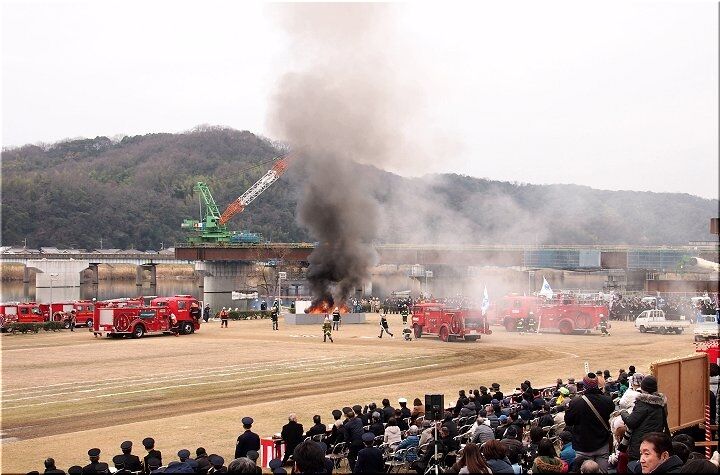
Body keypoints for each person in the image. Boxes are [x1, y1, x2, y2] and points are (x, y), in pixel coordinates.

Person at [565, 373, 614, 472]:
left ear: (584, 386)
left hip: (583, 446)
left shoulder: (576, 402)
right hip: (602, 443)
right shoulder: (607, 400)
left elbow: (568, 422)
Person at [620, 375, 669, 462]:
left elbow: (631, 422)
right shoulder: (661, 403)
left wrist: (623, 412)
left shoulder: (643, 403)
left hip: (640, 445)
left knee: (638, 466)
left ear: (643, 388)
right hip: (655, 443)